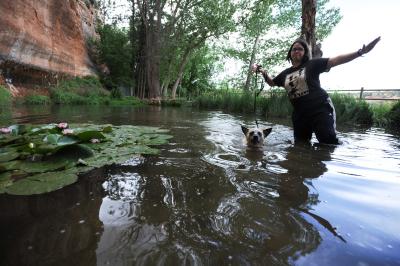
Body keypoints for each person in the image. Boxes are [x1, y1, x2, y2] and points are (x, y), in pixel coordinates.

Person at [252, 37, 381, 145]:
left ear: (305, 52)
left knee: (328, 142)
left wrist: (359, 52)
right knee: (301, 145)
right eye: (294, 49)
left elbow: (336, 60)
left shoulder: (312, 64)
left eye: (300, 49)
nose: (297, 51)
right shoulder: (285, 74)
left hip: (320, 108)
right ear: (290, 53)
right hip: (300, 114)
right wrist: (262, 71)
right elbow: (272, 82)